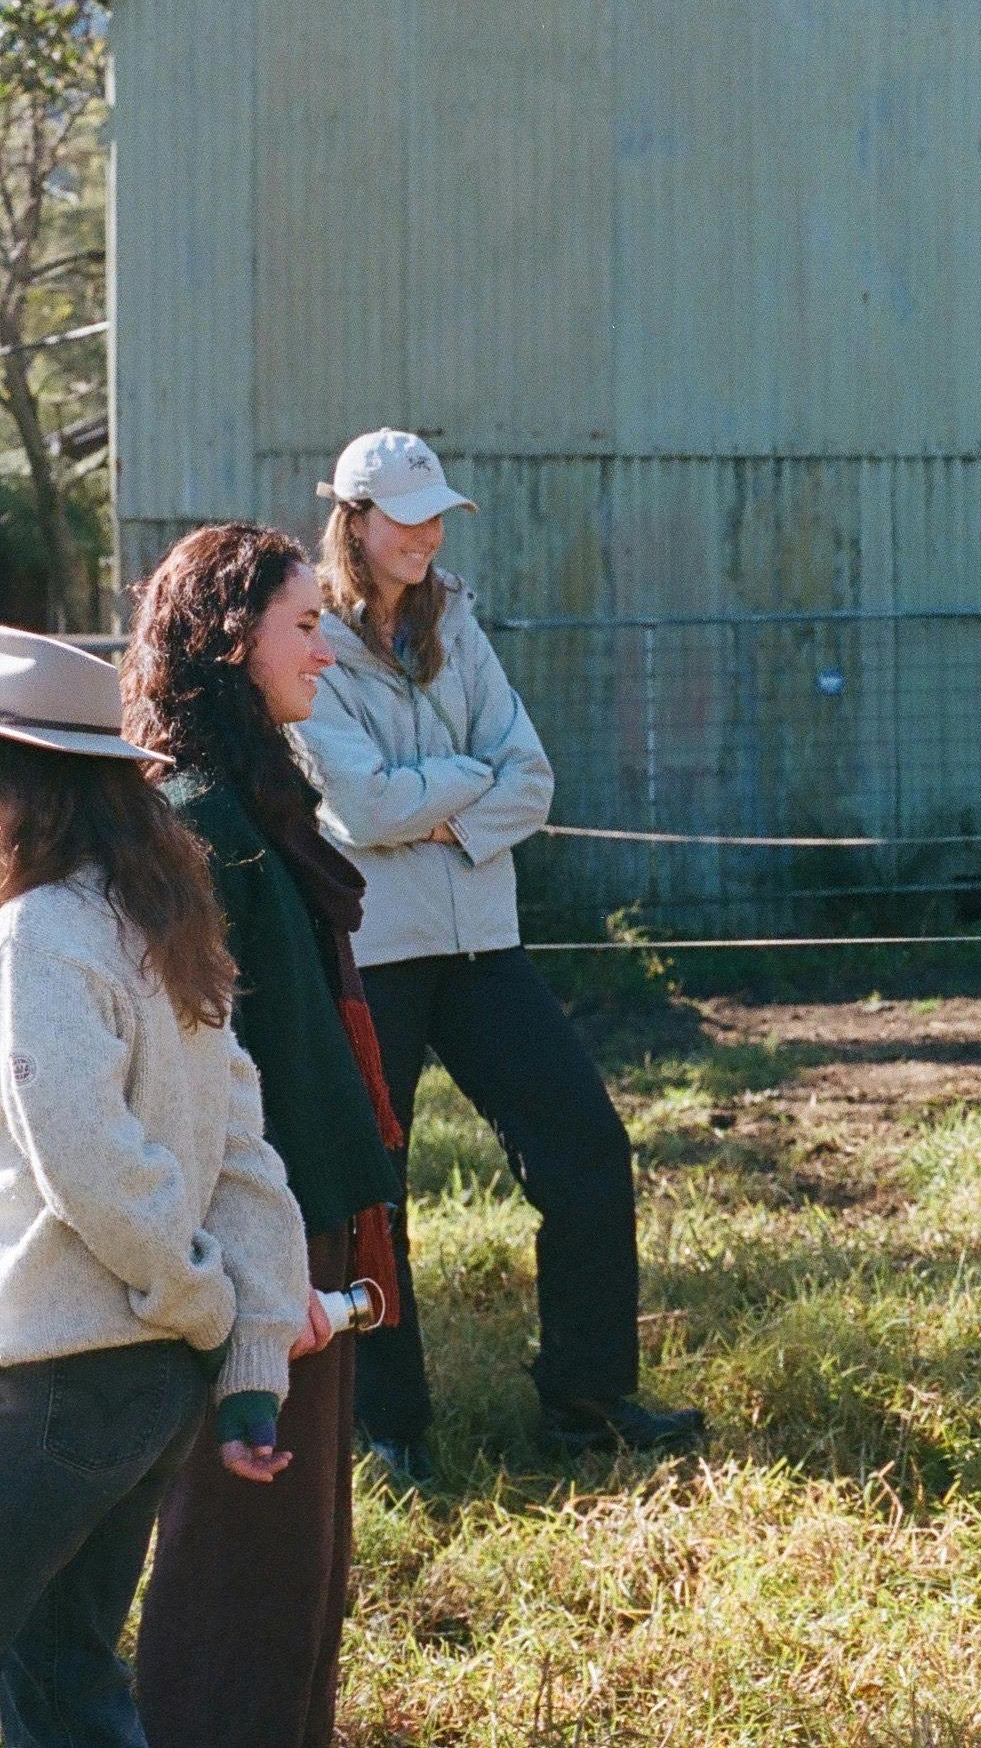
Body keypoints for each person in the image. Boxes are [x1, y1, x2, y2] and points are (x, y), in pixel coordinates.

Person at [290, 430, 701, 1481]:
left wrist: (437, 806)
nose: (426, 531)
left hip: (486, 942)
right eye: (406, 513)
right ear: (354, 520)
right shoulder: (313, 639)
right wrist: (459, 785)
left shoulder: (454, 619)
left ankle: (587, 1397)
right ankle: (394, 1430)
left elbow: (532, 777)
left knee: (588, 1150)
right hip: (376, 951)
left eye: (437, 513)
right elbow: (361, 802)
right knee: (377, 1192)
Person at [0, 626, 322, 1748]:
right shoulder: (164, 929)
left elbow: (88, 1163)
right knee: (64, 1675)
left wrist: (204, 1299)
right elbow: (246, 1163)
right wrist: (244, 1374)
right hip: (150, 1393)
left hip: (53, 1381)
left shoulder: (38, 931)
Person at [124, 523, 409, 1748]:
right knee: (244, 1572)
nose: (325, 654)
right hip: (259, 1235)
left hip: (314, 1223)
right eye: (304, 626)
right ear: (233, 640)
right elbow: (203, 1080)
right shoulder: (194, 816)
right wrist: (260, 1263)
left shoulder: (251, 793)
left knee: (300, 1577)